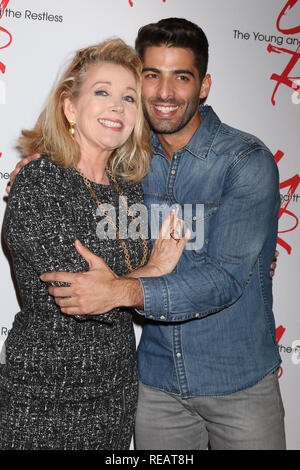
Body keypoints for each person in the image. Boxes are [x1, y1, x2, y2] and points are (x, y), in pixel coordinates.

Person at [7, 19, 284, 450]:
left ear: (204, 85)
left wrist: (122, 290)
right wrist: (45, 157)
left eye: (182, 77)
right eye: (151, 76)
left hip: (235, 381)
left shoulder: (238, 162)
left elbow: (226, 278)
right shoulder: (119, 167)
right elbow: (77, 286)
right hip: (138, 387)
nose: (165, 92)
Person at [0, 37, 188, 450]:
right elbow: (79, 295)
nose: (117, 107)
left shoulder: (130, 191)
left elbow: (157, 264)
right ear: (70, 107)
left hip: (116, 399)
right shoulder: (40, 181)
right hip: (46, 401)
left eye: (129, 98)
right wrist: (151, 272)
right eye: (102, 92)